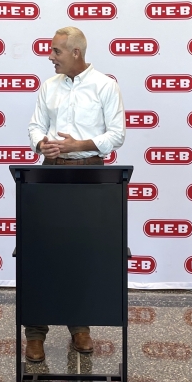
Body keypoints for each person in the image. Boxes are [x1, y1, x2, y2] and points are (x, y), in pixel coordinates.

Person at [25, 26, 125, 363]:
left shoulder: (105, 86)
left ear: (76, 53)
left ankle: (79, 326)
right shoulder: (48, 86)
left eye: (56, 51)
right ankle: (35, 333)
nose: (50, 57)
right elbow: (35, 126)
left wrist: (76, 145)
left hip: (89, 174)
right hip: (49, 172)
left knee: (81, 254)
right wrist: (43, 143)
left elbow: (116, 135)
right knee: (40, 254)